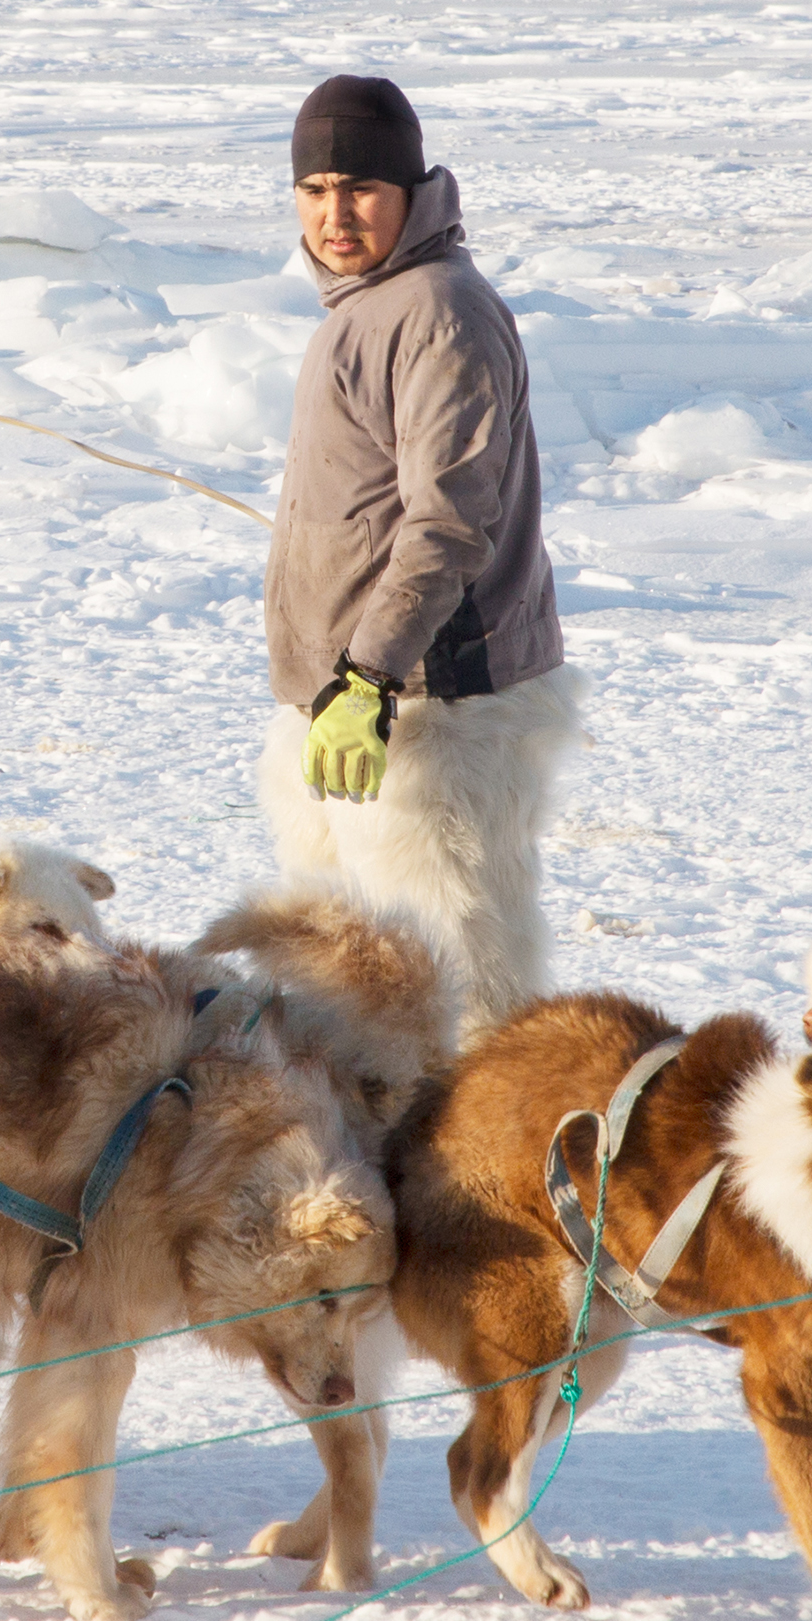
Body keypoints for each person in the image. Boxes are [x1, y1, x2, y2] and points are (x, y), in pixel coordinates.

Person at [257, 73, 576, 1033]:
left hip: (433, 709)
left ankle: (499, 1172)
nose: (335, 213)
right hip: (349, 705)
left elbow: (448, 522)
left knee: (463, 993)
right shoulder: (369, 305)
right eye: (315, 190)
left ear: (412, 192)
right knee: (349, 987)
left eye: (359, 188)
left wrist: (367, 676)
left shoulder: (440, 312)